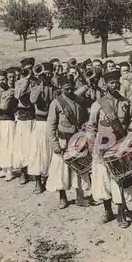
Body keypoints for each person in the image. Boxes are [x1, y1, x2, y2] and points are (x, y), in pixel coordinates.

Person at [87, 70, 132, 228]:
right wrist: (91, 146)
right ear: (105, 85)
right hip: (103, 146)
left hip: (121, 144)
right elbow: (91, 127)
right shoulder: (98, 104)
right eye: (112, 82)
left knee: (121, 178)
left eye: (117, 82)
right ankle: (107, 210)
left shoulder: (125, 102)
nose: (115, 85)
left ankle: (120, 213)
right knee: (103, 179)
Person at [46, 75, 91, 209]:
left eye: (72, 88)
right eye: (67, 89)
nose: (70, 91)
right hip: (63, 140)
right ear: (60, 88)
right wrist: (55, 144)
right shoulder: (56, 103)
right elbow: (51, 126)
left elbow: (84, 118)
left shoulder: (79, 100)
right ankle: (63, 197)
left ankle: (80, 197)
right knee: (61, 170)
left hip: (77, 139)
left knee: (80, 169)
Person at [28, 63, 56, 193]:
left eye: (50, 73)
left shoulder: (55, 89)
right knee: (38, 152)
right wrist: (41, 85)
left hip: (51, 123)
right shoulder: (35, 88)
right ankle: (38, 182)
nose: (48, 76)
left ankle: (49, 178)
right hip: (40, 123)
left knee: (51, 152)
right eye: (46, 73)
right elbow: (33, 100)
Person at [13, 57, 36, 184]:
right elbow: (17, 95)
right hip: (23, 115)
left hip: (35, 115)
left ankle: (33, 170)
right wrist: (26, 80)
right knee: (23, 145)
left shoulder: (36, 80)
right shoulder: (19, 82)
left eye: (31, 68)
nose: (30, 71)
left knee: (34, 145)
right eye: (27, 69)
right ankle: (23, 172)